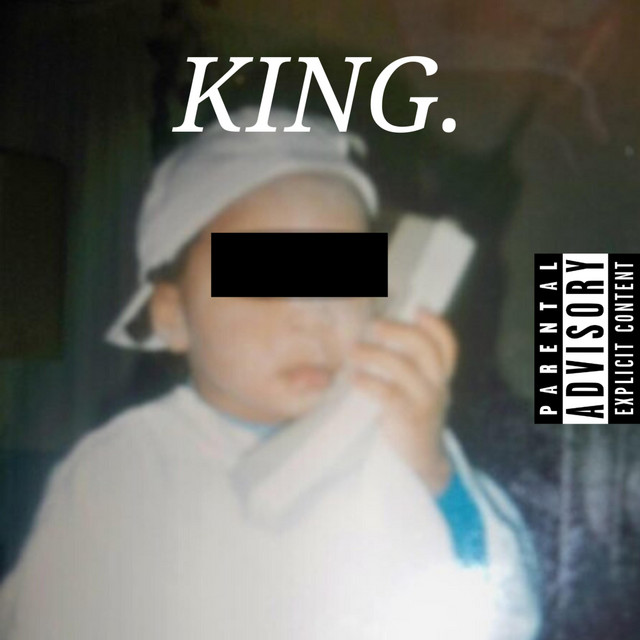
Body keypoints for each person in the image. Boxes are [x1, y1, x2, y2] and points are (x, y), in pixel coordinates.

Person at [0, 106, 541, 639]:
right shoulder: (123, 469)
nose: (312, 315)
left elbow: (508, 618)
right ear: (174, 316)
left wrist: (432, 476)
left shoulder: (401, 448)